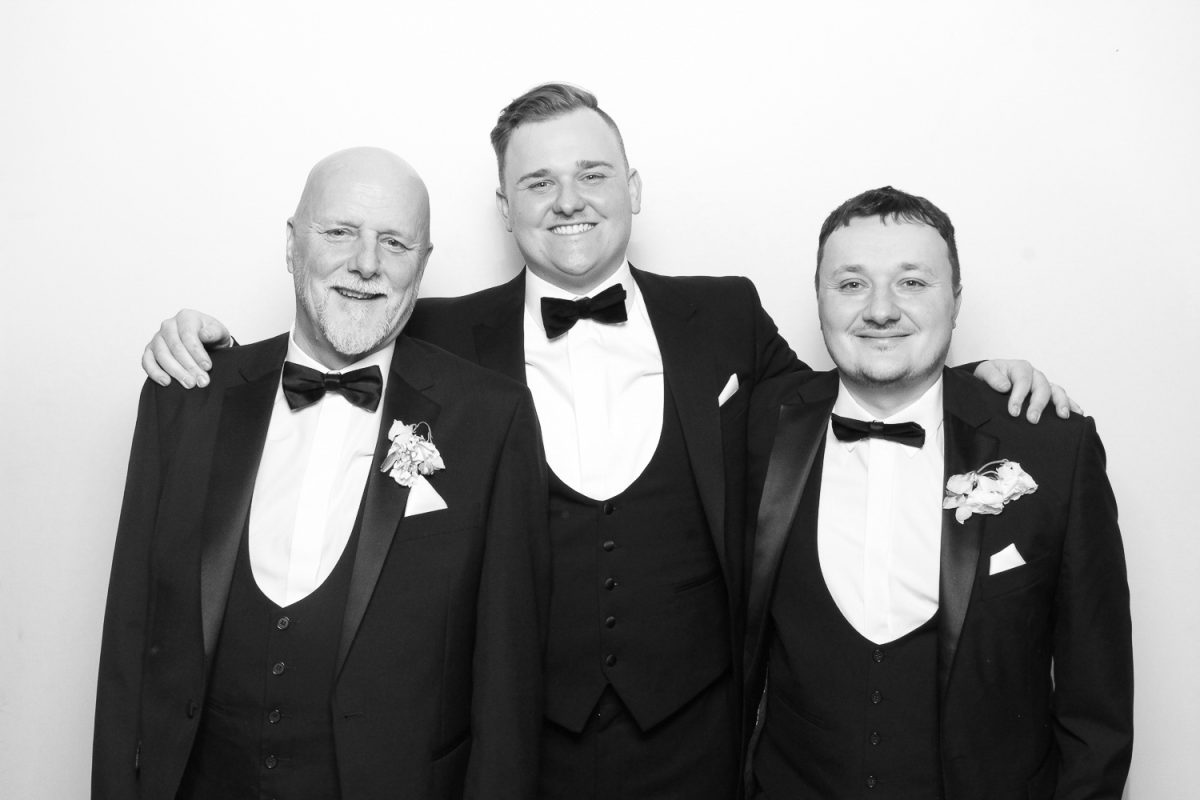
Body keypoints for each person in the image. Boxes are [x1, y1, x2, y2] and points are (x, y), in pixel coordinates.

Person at [138, 86, 1074, 799]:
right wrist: (200, 344)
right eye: (536, 182)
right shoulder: (436, 340)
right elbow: (335, 338)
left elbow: (854, 397)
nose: (568, 201)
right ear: (503, 209)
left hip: (698, 745)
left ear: (632, 189)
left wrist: (979, 384)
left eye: (592, 175)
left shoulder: (724, 314)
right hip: (508, 746)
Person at [93, 147, 550, 800]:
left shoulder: (490, 418)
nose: (366, 263)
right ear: (290, 245)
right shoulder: (188, 392)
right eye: (340, 232)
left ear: (422, 265)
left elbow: (508, 686)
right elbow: (129, 646)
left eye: (394, 242)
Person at [742, 186, 1132, 799]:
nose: (880, 310)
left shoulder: (1052, 446)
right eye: (850, 284)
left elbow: (1097, 702)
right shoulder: (754, 428)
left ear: (956, 301)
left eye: (912, 283)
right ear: (819, 300)